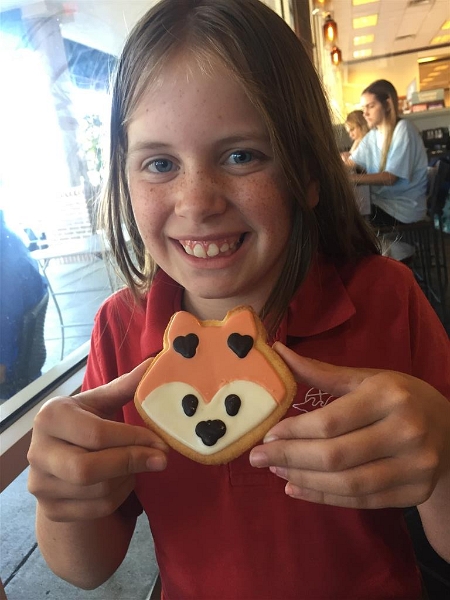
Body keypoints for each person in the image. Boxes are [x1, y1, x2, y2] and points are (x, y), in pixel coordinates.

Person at [27, 2, 450, 599]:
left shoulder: (386, 298)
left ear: (307, 172)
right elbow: (87, 567)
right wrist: (61, 495)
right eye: (160, 163)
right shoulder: (120, 330)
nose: (197, 202)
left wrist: (445, 452)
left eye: (241, 155)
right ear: (123, 178)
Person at [345, 79, 428, 226]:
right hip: (383, 204)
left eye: (371, 106)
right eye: (363, 108)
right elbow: (350, 162)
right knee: (345, 216)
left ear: (388, 104)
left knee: (346, 222)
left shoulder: (403, 129)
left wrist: (352, 179)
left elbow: (390, 178)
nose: (365, 113)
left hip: (402, 210)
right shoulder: (373, 136)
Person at [0, 210, 47, 395]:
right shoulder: (10, 239)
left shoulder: (4, 260)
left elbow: (1, 370)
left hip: (11, 387)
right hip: (23, 371)